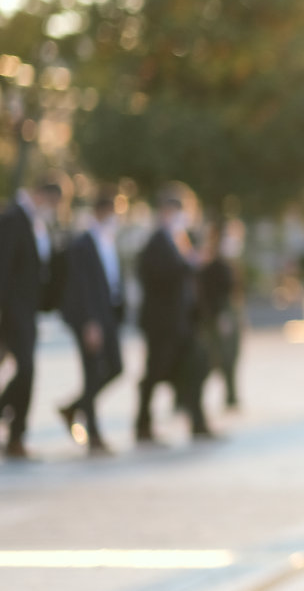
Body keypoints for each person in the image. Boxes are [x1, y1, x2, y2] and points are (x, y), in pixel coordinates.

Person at [135, 185, 215, 444]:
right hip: (163, 324)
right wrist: (188, 265)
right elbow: (156, 277)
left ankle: (197, 422)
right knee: (156, 373)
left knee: (197, 365)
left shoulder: (180, 240)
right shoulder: (157, 241)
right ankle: (143, 424)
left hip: (182, 322)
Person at [0, 174, 65, 459]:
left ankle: (16, 436)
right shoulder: (14, 218)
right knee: (26, 370)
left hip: (27, 311)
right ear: (42, 194)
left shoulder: (37, 223)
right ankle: (15, 435)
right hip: (12, 312)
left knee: (26, 371)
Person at [58, 189, 126, 455]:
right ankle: (94, 435)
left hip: (108, 315)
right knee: (91, 372)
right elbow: (80, 287)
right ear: (100, 212)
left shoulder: (108, 241)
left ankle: (74, 408)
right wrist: (89, 322)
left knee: (115, 367)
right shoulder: (82, 244)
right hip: (90, 319)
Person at [197, 220, 243, 410]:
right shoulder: (213, 265)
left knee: (230, 356)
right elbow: (213, 293)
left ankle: (231, 396)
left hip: (229, 313)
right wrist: (221, 315)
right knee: (219, 356)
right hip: (219, 315)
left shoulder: (229, 263)